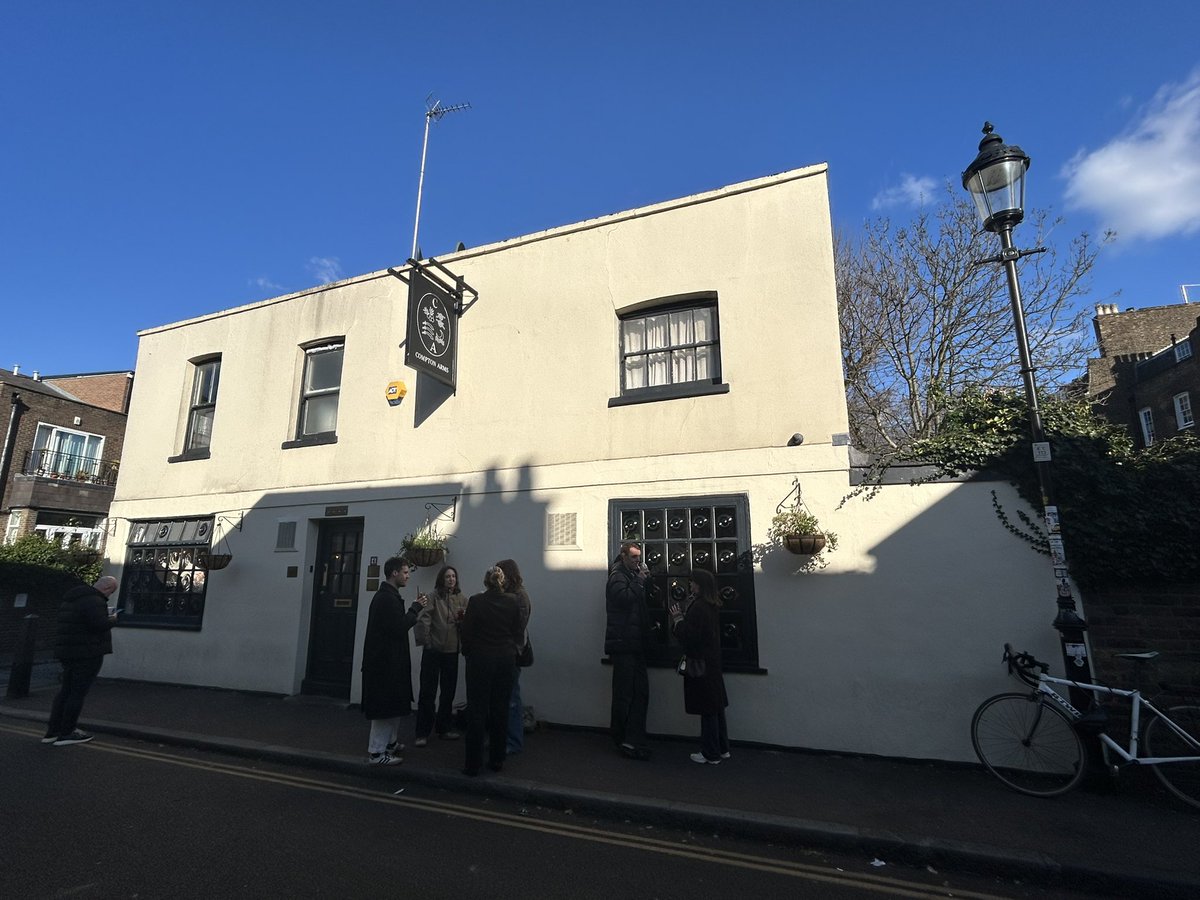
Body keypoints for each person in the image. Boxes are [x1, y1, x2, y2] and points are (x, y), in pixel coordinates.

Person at [361, 557, 428, 765]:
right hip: (384, 664)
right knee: (384, 708)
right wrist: (415, 609)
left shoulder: (388, 596)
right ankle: (376, 753)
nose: (408, 576)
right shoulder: (386, 599)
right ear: (394, 573)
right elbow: (398, 628)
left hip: (391, 662)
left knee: (394, 705)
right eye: (406, 572)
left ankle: (390, 744)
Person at [459, 566, 523, 776]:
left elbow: (467, 633)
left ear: (485, 582)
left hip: (480, 660)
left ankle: (472, 764)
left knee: (477, 711)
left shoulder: (476, 602)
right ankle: (497, 759)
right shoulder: (513, 601)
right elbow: (517, 631)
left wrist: (468, 653)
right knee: (500, 709)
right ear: (502, 582)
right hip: (505, 660)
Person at [44, 575, 119, 746]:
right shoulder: (94, 601)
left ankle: (52, 731)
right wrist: (112, 620)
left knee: (65, 691)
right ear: (107, 589)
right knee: (77, 693)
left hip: (68, 651)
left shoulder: (72, 598)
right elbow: (99, 625)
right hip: (87, 652)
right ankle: (67, 732)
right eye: (112, 592)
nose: (110, 596)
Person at [668, 569, 730, 765]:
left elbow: (690, 635)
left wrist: (677, 619)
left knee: (707, 708)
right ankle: (722, 748)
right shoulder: (711, 605)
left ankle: (710, 753)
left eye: (693, 582)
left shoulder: (700, 607)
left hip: (700, 662)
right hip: (712, 661)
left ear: (700, 585)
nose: (690, 585)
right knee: (716, 706)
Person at [605, 541, 652, 760]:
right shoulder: (617, 575)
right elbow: (622, 599)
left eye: (638, 557)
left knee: (639, 692)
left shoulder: (631, 575)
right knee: (625, 693)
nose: (637, 561)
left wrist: (644, 582)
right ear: (623, 556)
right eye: (633, 557)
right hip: (624, 643)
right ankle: (623, 739)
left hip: (634, 642)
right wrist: (640, 581)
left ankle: (633, 738)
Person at [413, 565, 467, 746]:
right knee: (427, 692)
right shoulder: (432, 597)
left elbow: (467, 621)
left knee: (448, 693)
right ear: (441, 580)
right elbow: (423, 620)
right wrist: (427, 643)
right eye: (447, 577)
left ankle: (444, 728)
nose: (451, 579)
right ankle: (422, 732)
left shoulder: (461, 599)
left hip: (452, 651)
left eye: (453, 576)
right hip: (433, 652)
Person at [496, 558, 531, 754]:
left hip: (511, 652)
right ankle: (503, 738)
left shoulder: (519, 597)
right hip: (504, 651)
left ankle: (513, 741)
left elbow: (519, 626)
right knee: (504, 698)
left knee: (511, 700)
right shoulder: (511, 595)